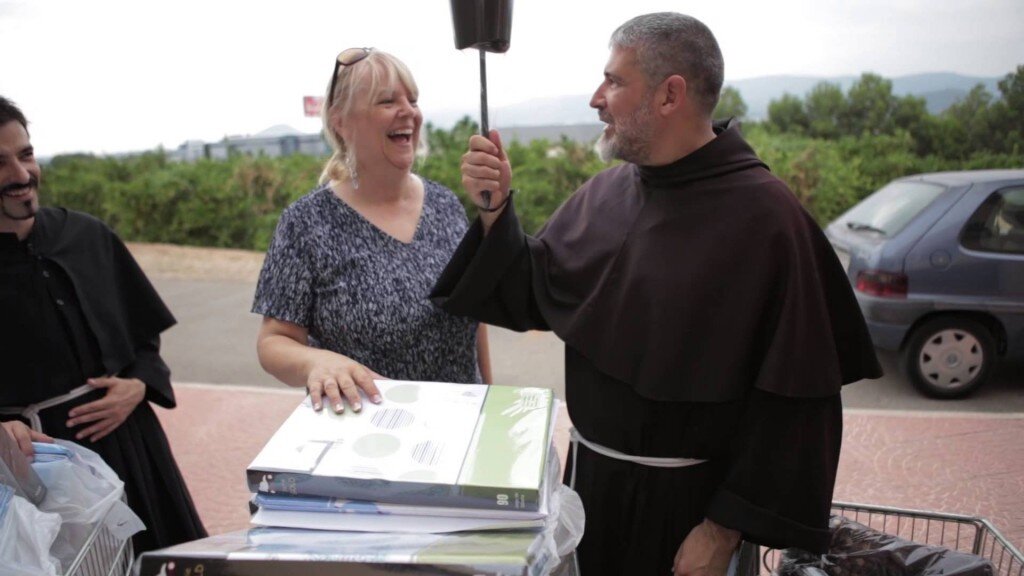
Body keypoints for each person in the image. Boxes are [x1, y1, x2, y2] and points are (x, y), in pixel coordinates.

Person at [429, 13, 882, 576]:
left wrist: (720, 532)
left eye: (615, 81)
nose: (597, 98)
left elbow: (795, 404)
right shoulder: (607, 191)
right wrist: (496, 213)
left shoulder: (768, 219)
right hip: (587, 482)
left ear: (671, 95)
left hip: (686, 513)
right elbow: (535, 290)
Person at [0, 96, 207, 552]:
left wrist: (138, 384)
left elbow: (143, 341)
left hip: (132, 450)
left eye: (26, 155)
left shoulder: (86, 235)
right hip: (30, 474)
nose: (19, 176)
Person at [253, 48, 491, 412]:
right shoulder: (306, 223)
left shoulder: (446, 204)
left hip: (459, 429)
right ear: (341, 122)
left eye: (412, 99)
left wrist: (489, 399)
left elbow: (476, 321)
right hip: (367, 444)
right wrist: (318, 363)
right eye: (387, 100)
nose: (409, 111)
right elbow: (274, 343)